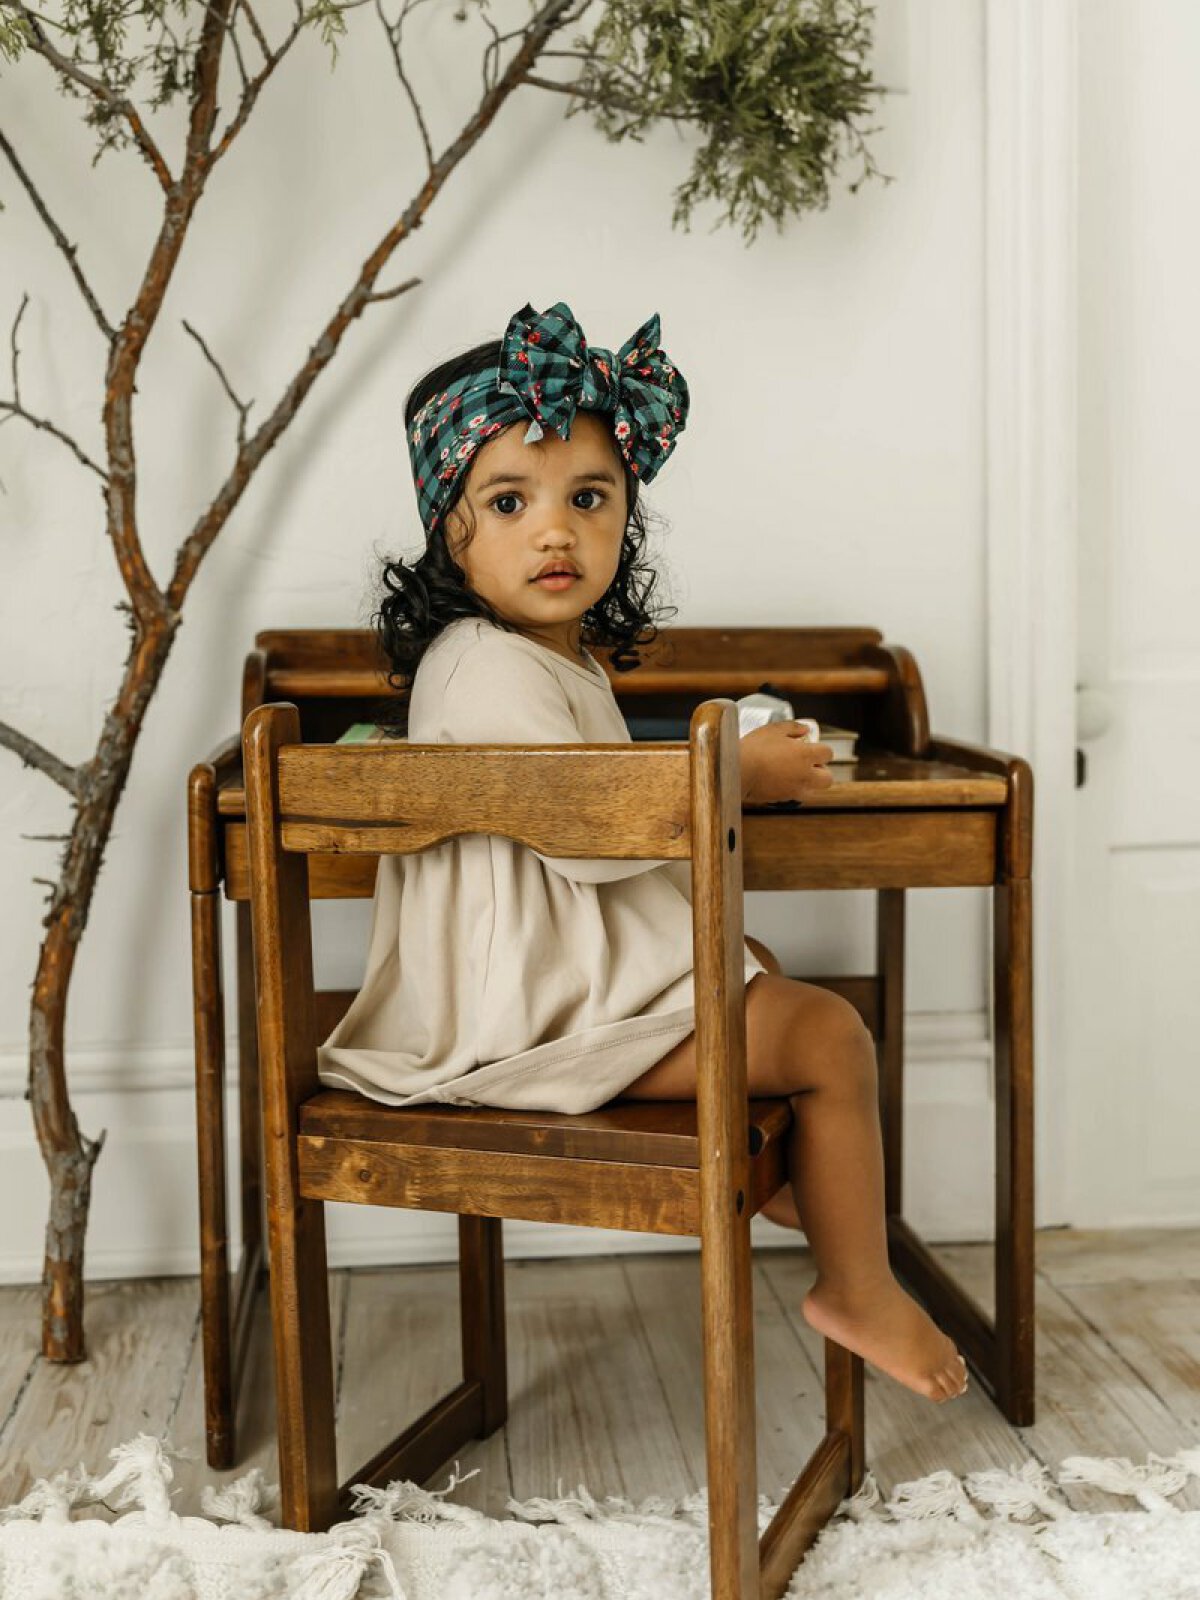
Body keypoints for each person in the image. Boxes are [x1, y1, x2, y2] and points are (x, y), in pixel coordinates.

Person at [317, 299, 968, 1405]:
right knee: (829, 1035)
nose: (555, 531)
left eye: (589, 498)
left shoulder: (534, 661)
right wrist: (734, 775)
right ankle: (856, 1283)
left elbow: (595, 828)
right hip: (521, 1029)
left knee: (750, 958)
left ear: (627, 518)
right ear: (448, 528)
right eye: (509, 501)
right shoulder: (484, 665)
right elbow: (589, 830)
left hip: (543, 997)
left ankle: (801, 1186)